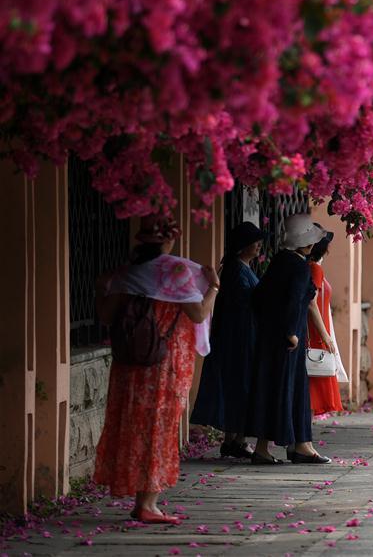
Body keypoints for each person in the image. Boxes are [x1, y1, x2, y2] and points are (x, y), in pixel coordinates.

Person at [93, 214, 218, 524]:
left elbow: (107, 316)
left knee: (133, 426)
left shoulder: (127, 274)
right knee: (159, 429)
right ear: (168, 240)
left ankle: (141, 498)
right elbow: (199, 314)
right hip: (164, 364)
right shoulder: (176, 272)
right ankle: (148, 503)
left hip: (130, 365)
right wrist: (214, 288)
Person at [244, 214, 331, 464]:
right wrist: (291, 332)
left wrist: (270, 325)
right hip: (288, 339)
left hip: (270, 336)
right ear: (308, 244)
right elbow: (294, 302)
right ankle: (299, 446)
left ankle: (268, 447)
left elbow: (259, 296)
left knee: (271, 389)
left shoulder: (279, 261)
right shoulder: (299, 267)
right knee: (288, 390)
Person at [191, 221, 263, 458]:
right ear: (243, 246)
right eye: (255, 242)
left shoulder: (240, 267)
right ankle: (236, 439)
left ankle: (234, 438)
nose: (259, 246)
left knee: (238, 387)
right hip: (237, 338)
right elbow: (246, 302)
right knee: (240, 387)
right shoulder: (236, 270)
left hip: (239, 336)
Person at [306, 227, 348, 415]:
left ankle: (302, 440)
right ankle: (302, 440)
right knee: (313, 387)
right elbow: (311, 302)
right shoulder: (315, 269)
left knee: (311, 387)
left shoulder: (311, 267)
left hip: (316, 329)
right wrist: (325, 336)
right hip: (316, 333)